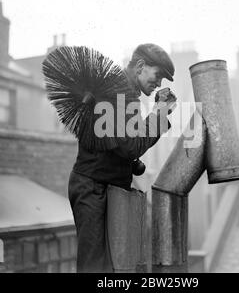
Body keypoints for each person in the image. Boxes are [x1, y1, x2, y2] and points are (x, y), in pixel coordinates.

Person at [68, 43, 177, 272]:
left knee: (109, 265)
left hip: (100, 186)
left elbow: (117, 145)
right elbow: (131, 146)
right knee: (94, 267)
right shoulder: (119, 93)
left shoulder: (121, 92)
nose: (158, 84)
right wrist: (160, 113)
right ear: (140, 66)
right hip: (93, 188)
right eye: (157, 75)